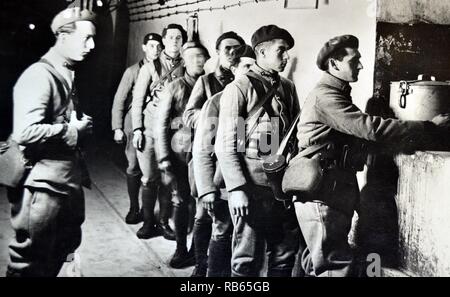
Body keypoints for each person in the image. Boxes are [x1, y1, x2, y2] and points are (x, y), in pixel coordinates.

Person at [294, 34, 450, 277]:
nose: (361, 65)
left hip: (329, 191)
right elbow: (371, 128)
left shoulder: (337, 94)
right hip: (322, 193)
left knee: (316, 263)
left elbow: (361, 140)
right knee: (334, 267)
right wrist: (427, 127)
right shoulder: (326, 97)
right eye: (354, 60)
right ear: (334, 64)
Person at [6, 7, 96, 277]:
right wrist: (71, 130)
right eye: (86, 38)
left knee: (64, 250)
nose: (92, 46)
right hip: (43, 187)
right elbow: (25, 131)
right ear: (63, 37)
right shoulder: (39, 76)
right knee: (30, 261)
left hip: (66, 181)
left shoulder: (66, 72)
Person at [215, 25, 301, 277]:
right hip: (251, 186)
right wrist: (237, 189)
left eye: (286, 52)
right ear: (261, 52)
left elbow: (293, 136)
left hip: (281, 185)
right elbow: (227, 144)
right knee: (246, 259)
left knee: (284, 254)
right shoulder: (239, 88)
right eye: (281, 51)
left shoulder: (287, 87)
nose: (286, 57)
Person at [183, 31, 245, 277]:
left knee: (224, 221)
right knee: (203, 213)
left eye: (237, 49)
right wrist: (213, 118)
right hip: (208, 156)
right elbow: (189, 115)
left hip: (231, 159)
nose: (232, 53)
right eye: (227, 48)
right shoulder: (207, 82)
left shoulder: (245, 82)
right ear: (218, 52)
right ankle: (200, 266)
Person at [192, 44, 256, 277]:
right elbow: (202, 150)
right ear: (234, 68)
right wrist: (207, 189)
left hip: (249, 183)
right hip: (222, 185)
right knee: (222, 231)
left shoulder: (259, 103)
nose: (251, 72)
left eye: (254, 66)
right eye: (246, 66)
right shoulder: (217, 102)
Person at [156, 40, 210, 269]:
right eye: (192, 57)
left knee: (203, 204)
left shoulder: (212, 84)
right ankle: (180, 249)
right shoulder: (175, 86)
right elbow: (160, 125)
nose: (197, 60)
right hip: (181, 154)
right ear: (184, 61)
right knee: (180, 200)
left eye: (201, 56)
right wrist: (164, 158)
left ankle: (199, 254)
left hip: (206, 153)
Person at [131, 24, 187, 240]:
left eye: (178, 38)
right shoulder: (150, 67)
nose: (174, 41)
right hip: (149, 129)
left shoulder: (184, 66)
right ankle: (147, 223)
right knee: (148, 178)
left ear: (182, 42)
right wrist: (137, 129)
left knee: (167, 178)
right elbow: (137, 102)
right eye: (170, 37)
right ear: (164, 41)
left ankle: (163, 223)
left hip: (172, 132)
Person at [111, 33, 163, 224]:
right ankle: (134, 208)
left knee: (154, 169)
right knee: (134, 166)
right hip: (133, 123)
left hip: (155, 123)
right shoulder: (133, 71)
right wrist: (117, 127)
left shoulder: (164, 69)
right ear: (143, 48)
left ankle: (149, 211)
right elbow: (120, 99)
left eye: (159, 46)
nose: (155, 50)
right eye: (151, 46)